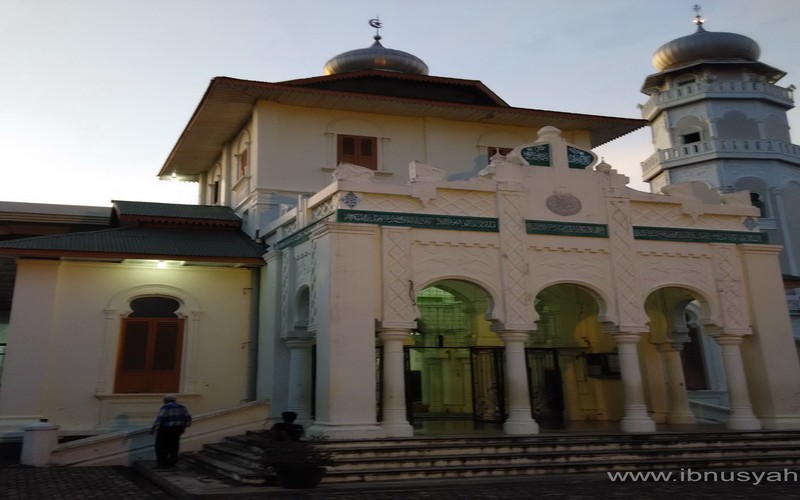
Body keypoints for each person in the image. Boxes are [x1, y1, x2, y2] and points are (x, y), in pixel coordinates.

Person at [150, 394, 192, 468]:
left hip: (166, 429)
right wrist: (184, 427)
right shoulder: (182, 407)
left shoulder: (166, 407)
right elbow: (188, 418)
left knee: (161, 446)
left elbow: (160, 418)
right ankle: (172, 463)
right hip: (178, 429)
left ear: (166, 400)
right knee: (174, 446)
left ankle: (162, 464)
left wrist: (153, 428)